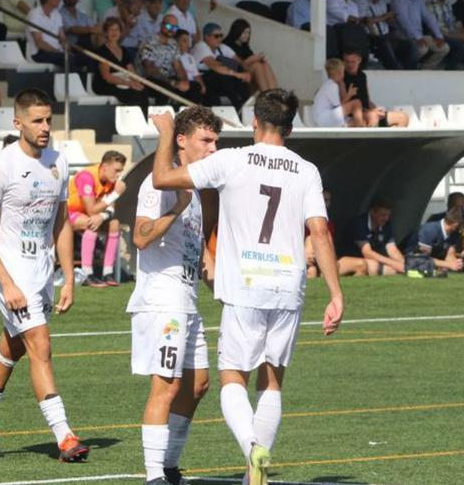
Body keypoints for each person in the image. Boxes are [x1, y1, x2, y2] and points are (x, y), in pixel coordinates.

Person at [148, 89, 345, 485]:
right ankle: (250, 475)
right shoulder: (306, 170)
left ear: (255, 121)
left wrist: (167, 131)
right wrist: (336, 293)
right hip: (288, 285)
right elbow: (319, 231)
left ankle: (252, 446)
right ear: (290, 127)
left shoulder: (231, 160)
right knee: (272, 379)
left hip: (244, 285)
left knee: (232, 376)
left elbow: (162, 178)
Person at [0, 89, 88, 461]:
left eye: (49, 120)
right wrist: (7, 282)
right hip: (13, 274)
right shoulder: (1, 166)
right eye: (37, 121)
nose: (45, 127)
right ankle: (66, 437)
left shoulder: (59, 162)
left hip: (42, 273)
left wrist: (69, 277)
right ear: (18, 123)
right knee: (39, 346)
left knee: (11, 347)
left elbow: (61, 224)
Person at [129, 106, 221, 485]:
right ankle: (154, 476)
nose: (213, 149)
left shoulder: (194, 188)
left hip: (187, 300)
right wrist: (177, 208)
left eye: (216, 141)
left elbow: (194, 242)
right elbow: (141, 236)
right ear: (181, 141)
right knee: (165, 386)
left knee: (198, 383)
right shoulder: (158, 184)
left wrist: (216, 275)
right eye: (206, 141)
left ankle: (168, 463)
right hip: (163, 301)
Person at [67, 151, 128, 287]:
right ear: (105, 167)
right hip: (68, 213)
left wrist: (102, 216)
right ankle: (87, 273)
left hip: (89, 215)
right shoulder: (87, 176)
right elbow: (91, 209)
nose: (118, 175)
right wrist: (116, 194)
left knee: (114, 224)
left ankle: (107, 273)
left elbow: (111, 209)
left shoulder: (111, 181)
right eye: (116, 170)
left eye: (121, 171)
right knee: (91, 223)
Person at [91, 16, 150, 110]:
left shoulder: (124, 50)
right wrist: (129, 84)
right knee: (133, 95)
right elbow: (107, 77)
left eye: (117, 29)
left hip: (123, 82)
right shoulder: (102, 51)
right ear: (106, 32)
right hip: (106, 85)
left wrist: (137, 83)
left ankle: (144, 121)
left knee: (143, 91)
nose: (114, 33)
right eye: (111, 30)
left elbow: (131, 72)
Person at [340, 197, 406, 276]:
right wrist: (394, 264)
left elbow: (392, 250)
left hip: (368, 260)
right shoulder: (359, 224)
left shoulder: (386, 224)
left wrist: (404, 265)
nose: (386, 218)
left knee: (394, 269)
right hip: (348, 258)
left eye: (388, 215)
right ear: (372, 212)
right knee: (376, 267)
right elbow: (367, 253)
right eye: (383, 215)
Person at [342, 50, 409, 127]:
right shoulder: (341, 78)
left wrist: (376, 109)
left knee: (403, 118)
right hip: (355, 117)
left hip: (369, 112)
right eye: (347, 62)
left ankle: (389, 137)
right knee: (373, 116)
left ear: (359, 60)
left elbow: (367, 99)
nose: (350, 65)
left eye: (353, 62)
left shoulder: (362, 76)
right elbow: (340, 107)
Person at [388, 0, 439, 70]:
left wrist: (438, 35)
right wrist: (417, 38)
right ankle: (408, 70)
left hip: (419, 36)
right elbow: (404, 22)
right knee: (421, 49)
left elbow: (428, 17)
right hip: (402, 37)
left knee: (443, 47)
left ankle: (424, 71)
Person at [191, 22, 250, 109]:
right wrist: (238, 75)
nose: (219, 38)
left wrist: (246, 73)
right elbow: (215, 66)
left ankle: (245, 103)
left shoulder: (222, 47)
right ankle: (238, 106)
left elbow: (241, 62)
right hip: (200, 79)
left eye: (221, 35)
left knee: (234, 73)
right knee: (221, 74)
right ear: (207, 37)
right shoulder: (201, 46)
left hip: (218, 81)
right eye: (216, 36)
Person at [408, 207, 464, 275]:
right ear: (456, 224)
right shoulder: (429, 230)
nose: (463, 228)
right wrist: (448, 264)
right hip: (414, 260)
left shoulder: (454, 234)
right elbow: (422, 258)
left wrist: (458, 262)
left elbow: (450, 255)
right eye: (462, 225)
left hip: (438, 260)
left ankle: (441, 268)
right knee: (423, 265)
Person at [224, 19, 278, 93]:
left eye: (248, 33)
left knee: (264, 64)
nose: (247, 35)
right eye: (244, 32)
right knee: (257, 66)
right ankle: (266, 95)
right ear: (237, 31)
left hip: (248, 73)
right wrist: (252, 59)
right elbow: (237, 66)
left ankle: (274, 94)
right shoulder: (227, 44)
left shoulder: (245, 46)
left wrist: (259, 59)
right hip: (236, 74)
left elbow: (251, 59)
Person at [312, 58, 364, 127]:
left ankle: (357, 129)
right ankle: (360, 131)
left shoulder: (328, 84)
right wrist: (349, 95)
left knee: (357, 120)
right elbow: (338, 106)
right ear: (339, 73)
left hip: (322, 118)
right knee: (356, 103)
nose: (343, 75)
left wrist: (342, 85)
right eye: (343, 72)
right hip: (324, 118)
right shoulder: (332, 86)